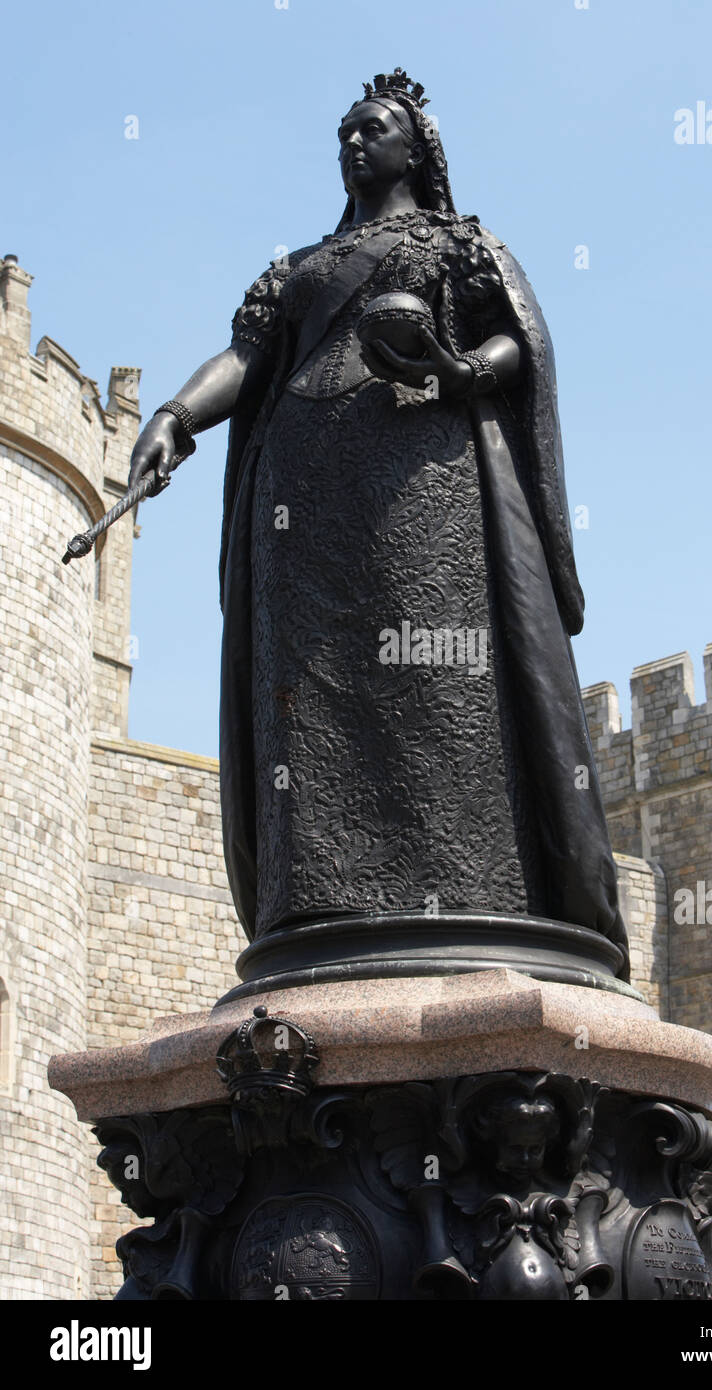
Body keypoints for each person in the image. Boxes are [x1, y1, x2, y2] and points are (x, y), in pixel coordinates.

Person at [128, 68, 630, 985]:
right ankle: (319, 899)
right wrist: (173, 415)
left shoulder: (457, 244)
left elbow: (517, 341)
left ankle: (471, 888)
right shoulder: (297, 268)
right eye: (345, 134)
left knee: (438, 686)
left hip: (420, 483)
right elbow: (247, 357)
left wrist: (464, 366)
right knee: (307, 692)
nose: (355, 144)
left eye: (373, 130)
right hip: (302, 498)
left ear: (416, 147)